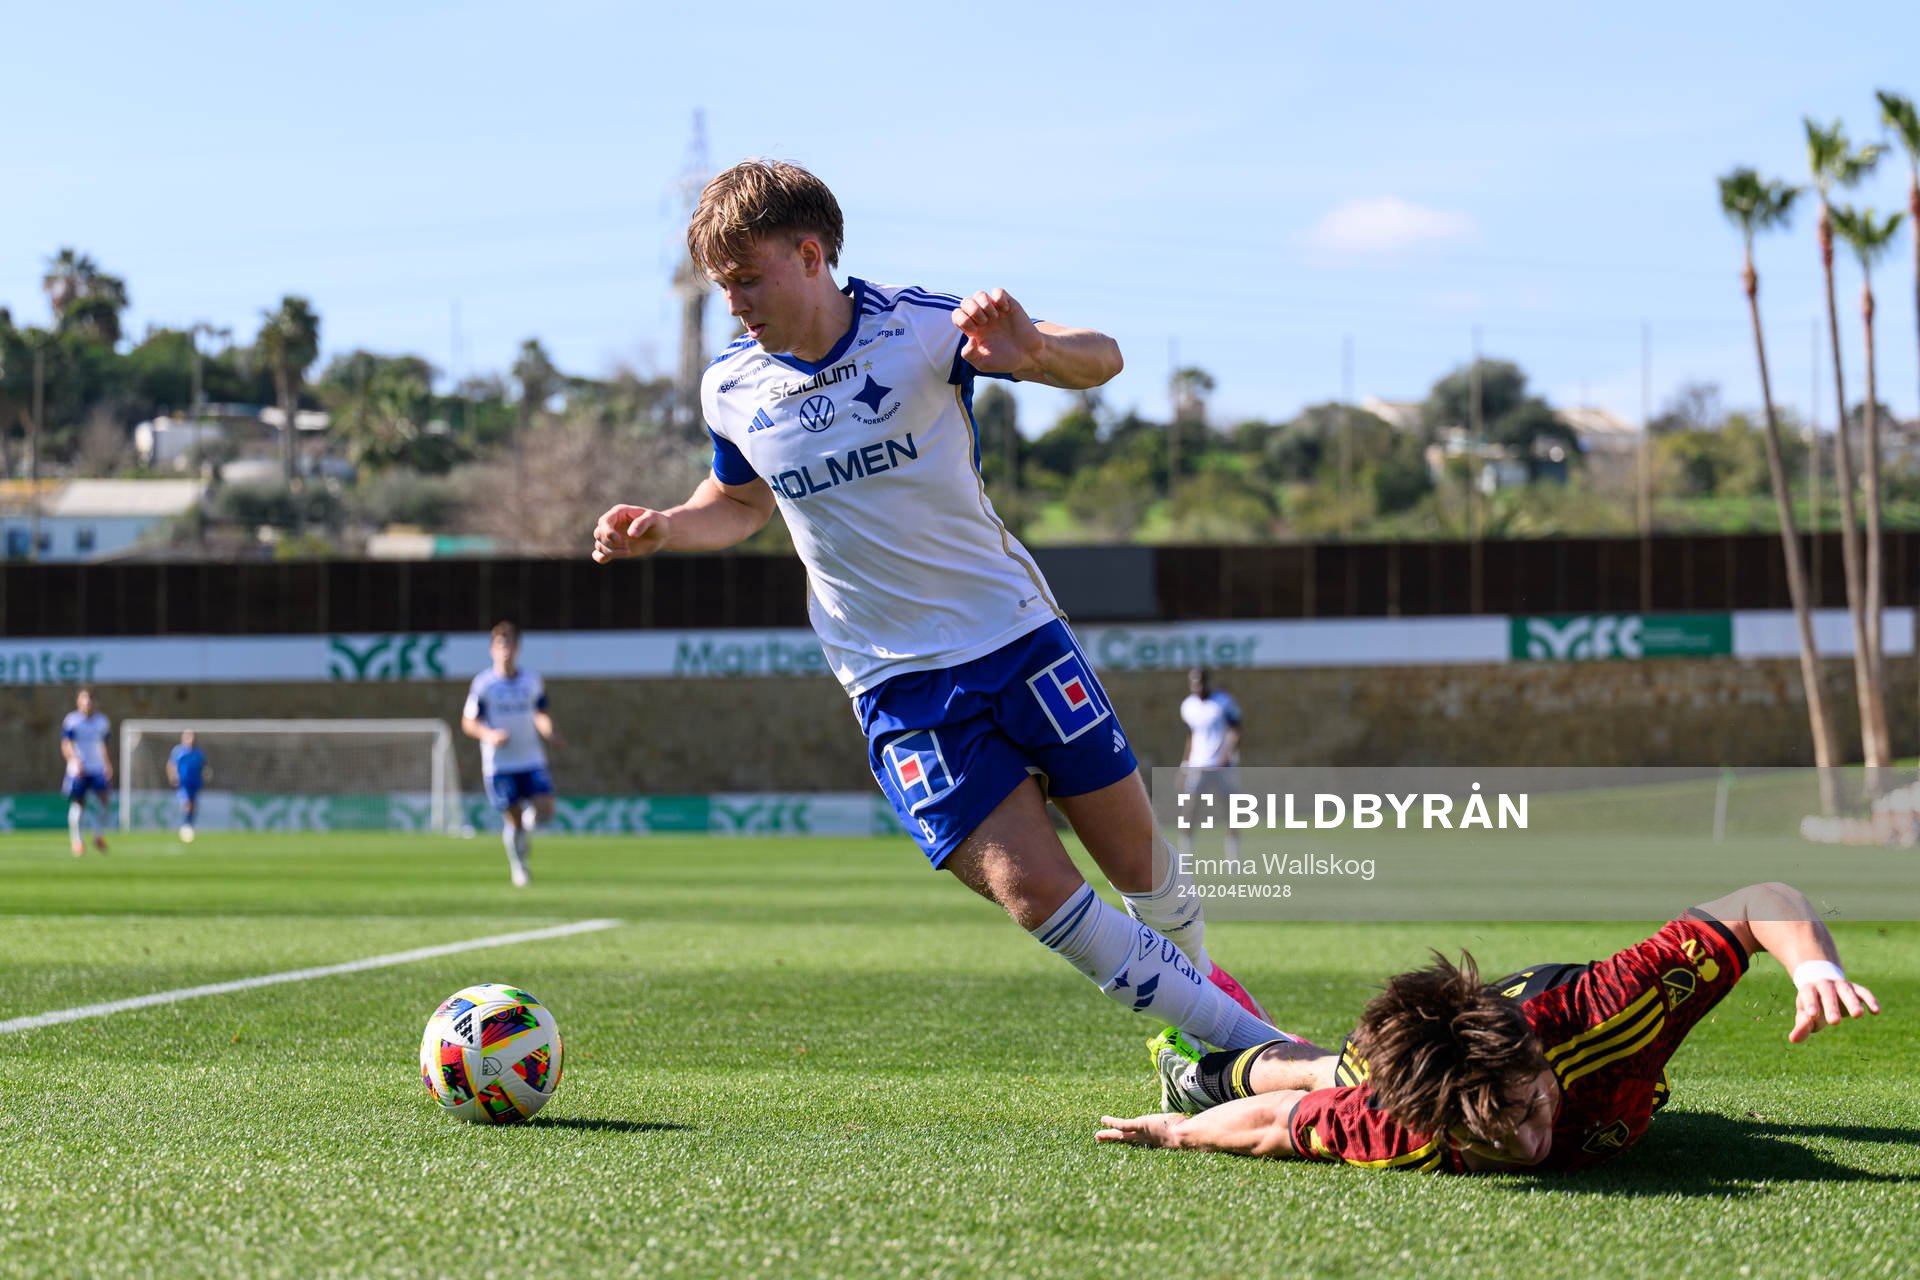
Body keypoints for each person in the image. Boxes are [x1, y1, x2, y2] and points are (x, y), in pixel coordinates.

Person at [592, 158, 1275, 1050]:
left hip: (1017, 637)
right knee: (1036, 895)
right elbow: (742, 502)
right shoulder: (731, 389)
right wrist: (666, 529)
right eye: (722, 288)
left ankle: (1205, 1044)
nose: (735, 306)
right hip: (892, 678)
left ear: (810, 255)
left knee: (1140, 865)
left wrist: (1032, 351)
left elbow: (1103, 356)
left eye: (747, 279)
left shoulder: (920, 328)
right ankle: (1253, 1049)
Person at [1095, 881, 1881, 1172]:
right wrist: (1175, 1129)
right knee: (1337, 1071)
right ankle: (1194, 1068)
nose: (1530, 1146)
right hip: (1409, 1063)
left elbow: (1760, 900)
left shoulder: (1615, 1010)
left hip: (1534, 1005)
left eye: (1530, 1112)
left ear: (1541, 1065)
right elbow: (1277, 1122)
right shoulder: (1410, 1126)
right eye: (1494, 1143)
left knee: (1347, 1067)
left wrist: (1814, 968)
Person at [461, 622, 563, 887]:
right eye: (499, 643)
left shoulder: (531, 681)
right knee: (514, 817)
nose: (504, 648)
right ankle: (519, 866)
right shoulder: (484, 684)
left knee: (547, 809)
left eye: (509, 643)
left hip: (530, 758)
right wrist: (490, 735)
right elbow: (468, 722)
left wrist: (549, 732)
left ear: (517, 648)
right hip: (500, 764)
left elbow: (540, 712)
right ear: (491, 649)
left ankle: (523, 833)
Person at [1178, 667, 1242, 862]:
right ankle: (1186, 856)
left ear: (1207, 681)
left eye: (1201, 681)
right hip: (1199, 765)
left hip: (1222, 766)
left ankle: (1233, 857)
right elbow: (1191, 735)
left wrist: (1226, 754)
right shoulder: (1188, 706)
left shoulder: (1223, 701)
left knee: (1231, 810)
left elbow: (1237, 730)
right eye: (1194, 682)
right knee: (1190, 810)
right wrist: (1185, 763)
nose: (1197, 686)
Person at [60, 686, 113, 856]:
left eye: (90, 698)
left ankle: (98, 835)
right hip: (79, 769)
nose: (88, 702)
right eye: (84, 698)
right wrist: (74, 761)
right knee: (79, 803)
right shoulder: (72, 720)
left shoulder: (102, 721)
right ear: (78, 701)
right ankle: (77, 841)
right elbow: (66, 744)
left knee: (104, 799)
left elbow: (103, 744)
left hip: (97, 767)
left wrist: (107, 764)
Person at [165, 729, 208, 843]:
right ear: (183, 738)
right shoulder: (178, 751)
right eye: (188, 736)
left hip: (195, 782)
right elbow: (171, 764)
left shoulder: (198, 753)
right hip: (183, 782)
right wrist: (172, 776)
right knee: (187, 804)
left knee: (193, 805)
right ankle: (186, 826)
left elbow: (204, 766)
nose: (190, 739)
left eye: (192, 736)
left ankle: (189, 825)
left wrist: (205, 775)